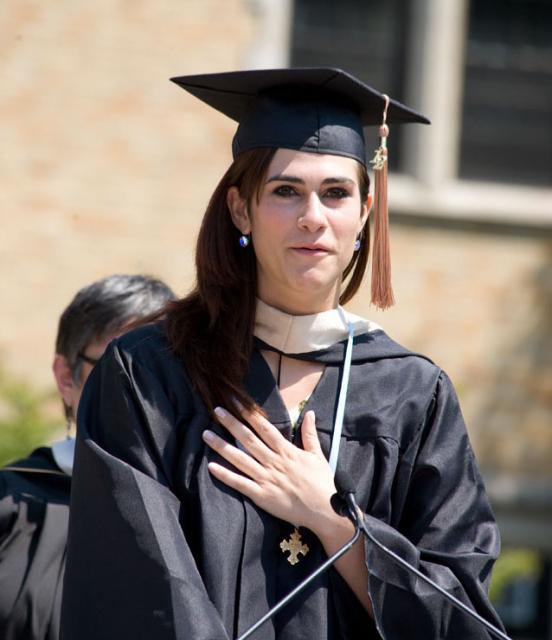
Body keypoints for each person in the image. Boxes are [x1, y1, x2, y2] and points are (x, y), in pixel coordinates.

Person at [61, 68, 505, 639]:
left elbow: (461, 619)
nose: (313, 218)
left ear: (365, 215)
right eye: (285, 191)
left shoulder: (414, 395)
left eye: (337, 193)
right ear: (241, 210)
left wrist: (332, 518)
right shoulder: (147, 375)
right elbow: (137, 589)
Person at [0, 274, 175, 640]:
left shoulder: (210, 511)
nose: (146, 391)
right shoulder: (9, 506)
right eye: (122, 365)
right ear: (67, 378)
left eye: (164, 371)